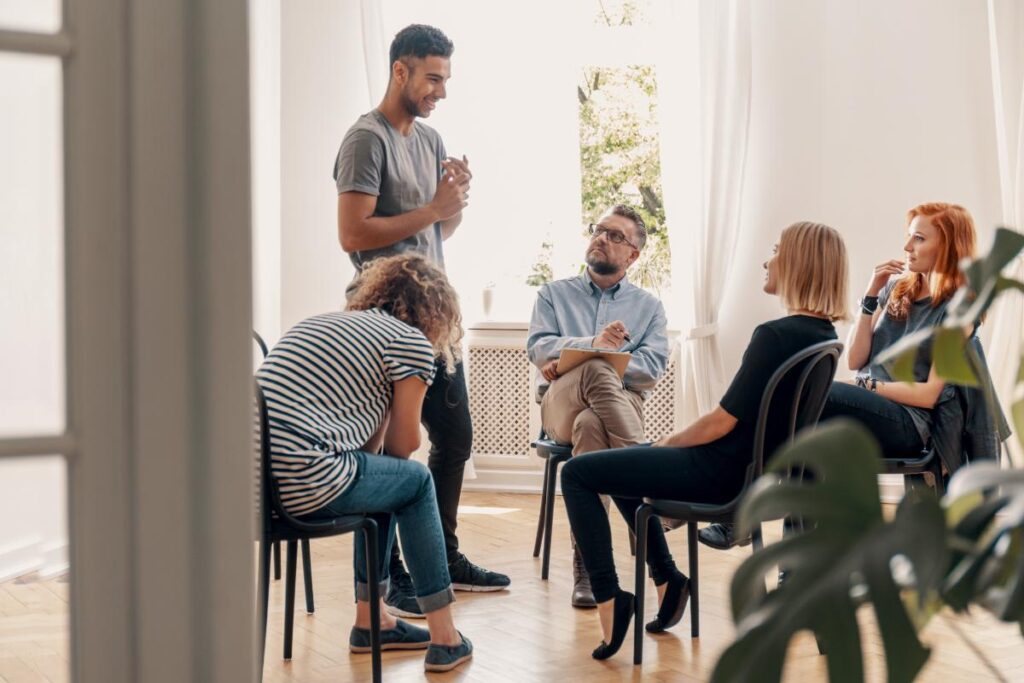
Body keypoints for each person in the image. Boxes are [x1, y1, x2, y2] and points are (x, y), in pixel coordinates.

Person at [559, 222, 849, 659]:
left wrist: (665, 445)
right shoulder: (824, 337)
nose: (767, 260)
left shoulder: (774, 335)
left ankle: (610, 598)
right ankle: (668, 577)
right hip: (755, 476)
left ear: (799, 263)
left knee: (579, 472)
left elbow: (720, 422)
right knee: (622, 466)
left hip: (719, 474)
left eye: (775, 250)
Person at [333, 23, 510, 617]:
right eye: (432, 77)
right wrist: (431, 208)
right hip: (383, 321)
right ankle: (396, 578)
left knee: (454, 439)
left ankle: (444, 556)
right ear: (400, 71)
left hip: (436, 317)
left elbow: (433, 232)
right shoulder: (366, 139)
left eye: (446, 79)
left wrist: (451, 204)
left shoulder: (431, 140)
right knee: (391, 454)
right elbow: (352, 234)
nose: (441, 90)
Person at [256, 255, 473, 673]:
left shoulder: (317, 323)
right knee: (416, 481)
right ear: (435, 312)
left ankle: (372, 620)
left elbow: (373, 457)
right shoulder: (408, 342)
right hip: (304, 478)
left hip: (252, 483)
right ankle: (445, 637)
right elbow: (405, 445)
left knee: (387, 477)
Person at [526, 204, 669, 608]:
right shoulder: (553, 294)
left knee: (591, 424)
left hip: (616, 407)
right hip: (559, 405)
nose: (602, 238)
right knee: (594, 373)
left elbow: (651, 371)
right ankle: (650, 488)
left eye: (616, 236)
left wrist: (590, 361)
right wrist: (596, 347)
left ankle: (590, 566)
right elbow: (538, 348)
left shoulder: (649, 307)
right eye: (600, 230)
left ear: (633, 255)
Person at [819, 202, 977, 458]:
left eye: (919, 238)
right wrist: (870, 298)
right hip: (868, 404)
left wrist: (866, 385)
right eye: (909, 237)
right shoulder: (896, 290)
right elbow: (855, 359)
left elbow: (929, 395)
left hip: (907, 422)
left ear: (947, 247)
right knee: (800, 400)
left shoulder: (959, 310)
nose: (907, 247)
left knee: (816, 395)